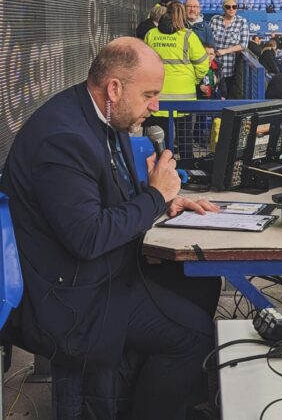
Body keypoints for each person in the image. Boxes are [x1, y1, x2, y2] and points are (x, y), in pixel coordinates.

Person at [0, 36, 219, 419]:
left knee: (202, 282)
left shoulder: (101, 115)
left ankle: (150, 396)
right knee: (195, 336)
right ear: (114, 88)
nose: (155, 107)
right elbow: (88, 237)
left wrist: (164, 202)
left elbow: (105, 200)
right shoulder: (63, 139)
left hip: (99, 275)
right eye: (149, 95)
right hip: (70, 300)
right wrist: (155, 196)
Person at [145, 1, 209, 159]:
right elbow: (203, 64)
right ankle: (186, 168)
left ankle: (161, 167)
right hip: (184, 99)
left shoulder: (151, 34)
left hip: (158, 98)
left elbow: (143, 63)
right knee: (185, 141)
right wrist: (194, 81)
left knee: (159, 143)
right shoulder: (188, 36)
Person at [209, 0, 249, 99]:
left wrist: (225, 51)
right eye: (228, 7)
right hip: (213, 65)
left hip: (230, 67)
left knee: (227, 95)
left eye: (234, 7)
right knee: (212, 94)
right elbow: (208, 39)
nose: (231, 9)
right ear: (224, 8)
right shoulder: (215, 19)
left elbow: (243, 44)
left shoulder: (241, 21)